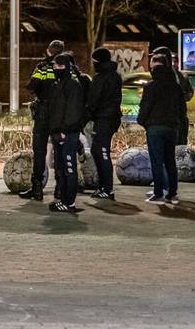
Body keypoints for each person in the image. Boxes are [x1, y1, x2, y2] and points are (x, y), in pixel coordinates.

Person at [138, 49, 185, 205]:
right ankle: (172, 193)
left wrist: (142, 121)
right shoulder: (175, 86)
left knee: (157, 161)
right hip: (171, 127)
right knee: (170, 160)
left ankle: (159, 193)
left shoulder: (151, 86)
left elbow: (145, 107)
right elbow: (182, 108)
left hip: (155, 127)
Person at [22, 40, 67, 201]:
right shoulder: (69, 67)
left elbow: (32, 87)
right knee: (60, 151)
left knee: (39, 151)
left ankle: (37, 189)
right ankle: (60, 189)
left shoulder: (42, 67)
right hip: (60, 114)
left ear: (48, 51)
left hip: (42, 113)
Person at [44, 53, 86, 213]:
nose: (56, 69)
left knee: (69, 169)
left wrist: (63, 131)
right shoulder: (55, 86)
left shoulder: (73, 86)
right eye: (55, 66)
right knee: (61, 169)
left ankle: (70, 203)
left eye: (60, 66)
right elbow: (53, 111)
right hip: (57, 134)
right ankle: (63, 199)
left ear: (67, 67)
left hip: (68, 134)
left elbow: (73, 112)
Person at [86, 47, 122, 200]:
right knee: (97, 151)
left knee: (102, 152)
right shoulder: (115, 76)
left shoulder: (101, 78)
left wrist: (86, 115)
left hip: (104, 119)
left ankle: (107, 188)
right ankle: (103, 186)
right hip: (110, 118)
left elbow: (93, 101)